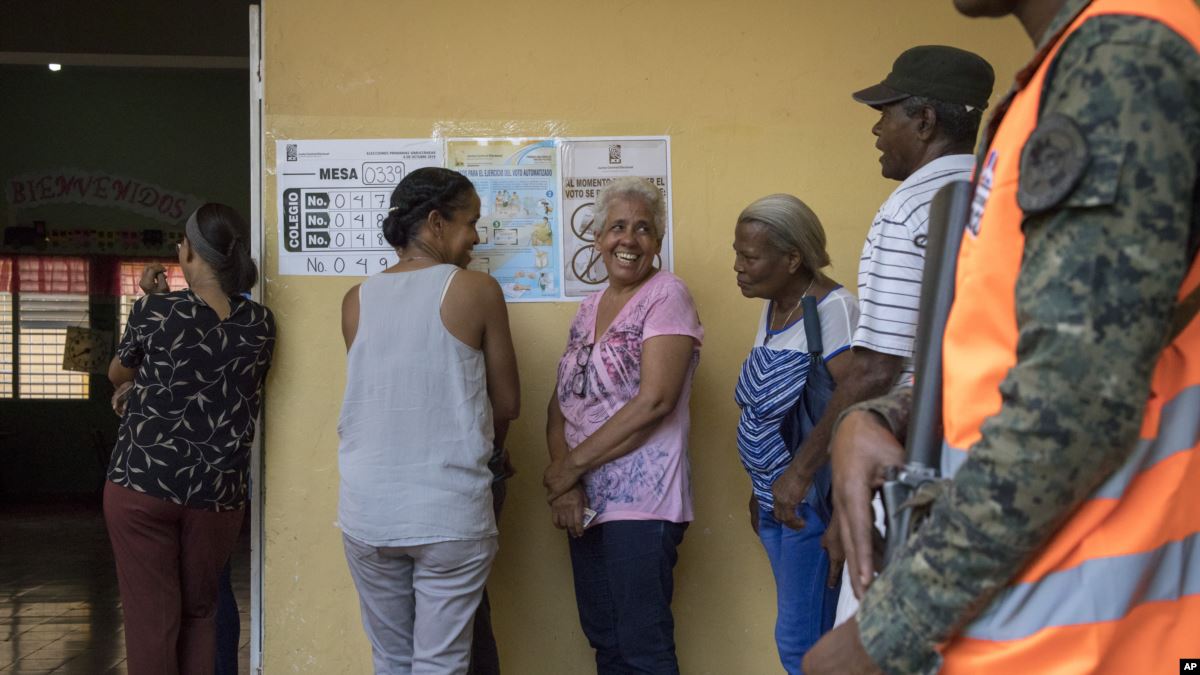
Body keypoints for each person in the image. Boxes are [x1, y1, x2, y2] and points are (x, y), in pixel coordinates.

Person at [804, 1, 1200, 673]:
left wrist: (884, 630)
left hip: (1091, 636)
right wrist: (879, 418)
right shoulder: (1063, 74)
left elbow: (1071, 408)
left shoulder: (1126, 55)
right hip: (1044, 625)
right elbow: (1021, 356)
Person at [769, 44, 995, 622]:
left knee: (878, 630)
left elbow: (876, 369)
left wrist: (804, 470)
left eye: (886, 112)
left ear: (924, 121)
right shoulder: (1002, 192)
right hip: (992, 453)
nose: (876, 128)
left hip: (916, 457)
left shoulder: (910, 208)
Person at [337, 167, 520, 674]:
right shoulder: (477, 290)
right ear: (436, 222)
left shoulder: (356, 300)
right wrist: (494, 454)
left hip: (368, 511)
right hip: (448, 512)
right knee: (441, 664)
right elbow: (506, 404)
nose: (477, 236)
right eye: (471, 221)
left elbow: (381, 396)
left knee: (392, 660)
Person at [105, 203, 275, 675]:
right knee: (202, 615)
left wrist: (150, 300)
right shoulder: (261, 324)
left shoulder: (154, 311)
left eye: (182, 242)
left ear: (191, 254)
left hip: (143, 483)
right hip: (216, 493)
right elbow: (210, 367)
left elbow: (118, 370)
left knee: (152, 622)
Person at [543, 176, 703, 674]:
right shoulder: (588, 307)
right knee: (606, 641)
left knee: (642, 646)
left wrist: (569, 469)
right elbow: (560, 404)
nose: (628, 240)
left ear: (656, 243)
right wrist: (566, 483)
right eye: (617, 227)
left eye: (643, 229)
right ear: (598, 238)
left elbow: (655, 401)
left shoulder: (667, 294)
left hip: (643, 502)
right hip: (585, 502)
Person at [732, 194, 860, 671]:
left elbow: (857, 404)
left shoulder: (834, 311)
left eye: (750, 257)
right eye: (737, 254)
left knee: (802, 644)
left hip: (810, 505)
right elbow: (770, 411)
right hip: (775, 503)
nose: (739, 267)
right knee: (806, 634)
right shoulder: (773, 309)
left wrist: (798, 477)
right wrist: (760, 486)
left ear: (792, 258)